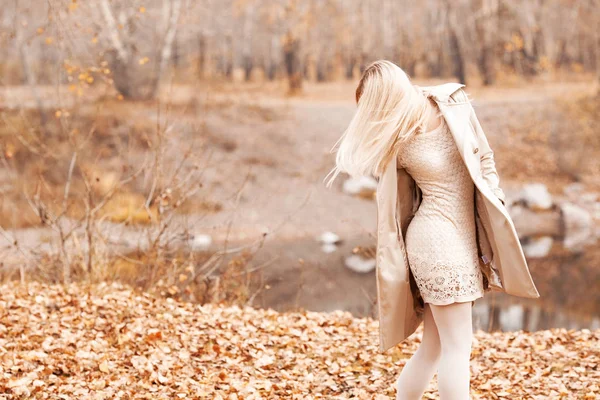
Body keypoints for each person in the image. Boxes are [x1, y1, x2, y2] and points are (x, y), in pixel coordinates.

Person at [324, 60, 539, 399]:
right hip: (435, 242)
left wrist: (495, 198)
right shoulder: (397, 139)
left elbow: (484, 157)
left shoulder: (453, 101)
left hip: (463, 236)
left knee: (436, 347)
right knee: (457, 347)